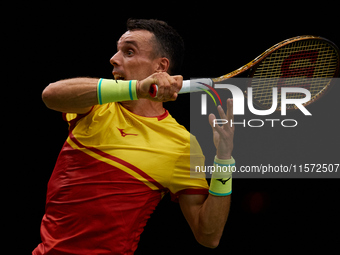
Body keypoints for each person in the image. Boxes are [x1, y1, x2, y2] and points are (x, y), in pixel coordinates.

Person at [33, 19, 235, 255]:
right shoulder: (96, 107)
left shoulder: (183, 145)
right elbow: (51, 95)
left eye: (129, 51)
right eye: (118, 51)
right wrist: (138, 88)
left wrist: (223, 161)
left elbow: (208, 235)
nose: (114, 59)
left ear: (160, 67)